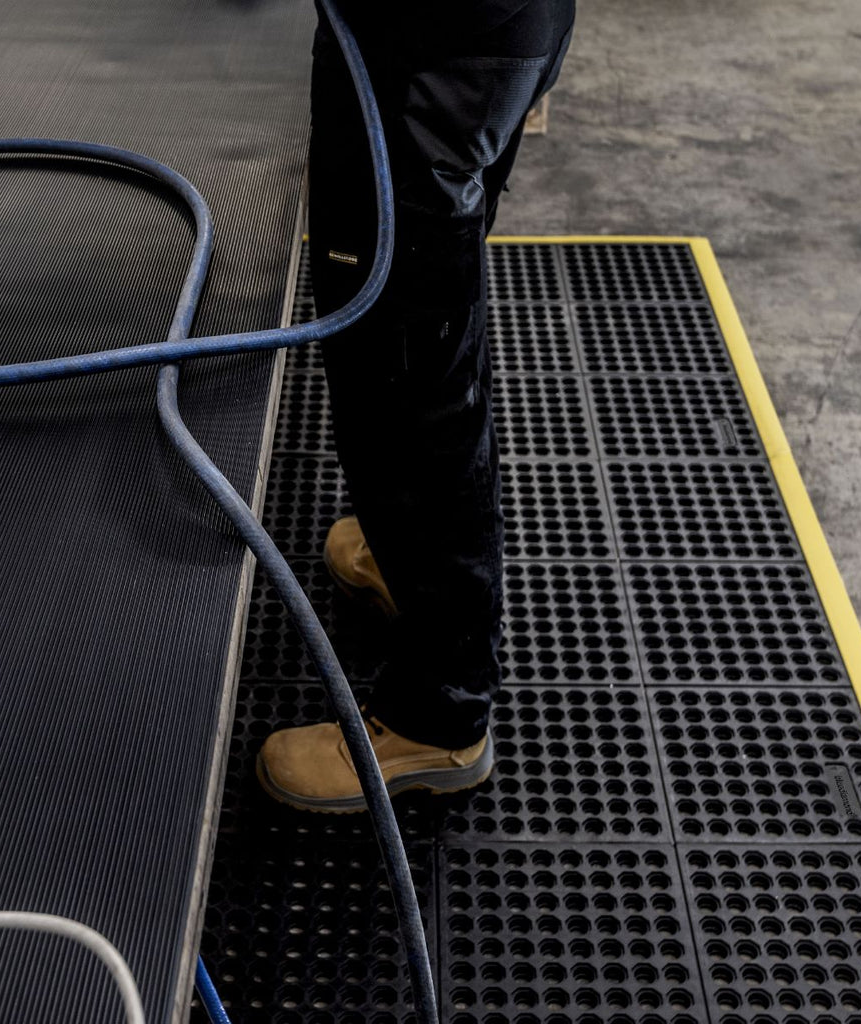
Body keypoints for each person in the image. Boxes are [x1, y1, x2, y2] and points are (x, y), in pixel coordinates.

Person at [257, 0, 575, 812]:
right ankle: (410, 567)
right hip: (461, 39)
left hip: (436, 54)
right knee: (419, 320)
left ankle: (438, 714)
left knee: (406, 361)